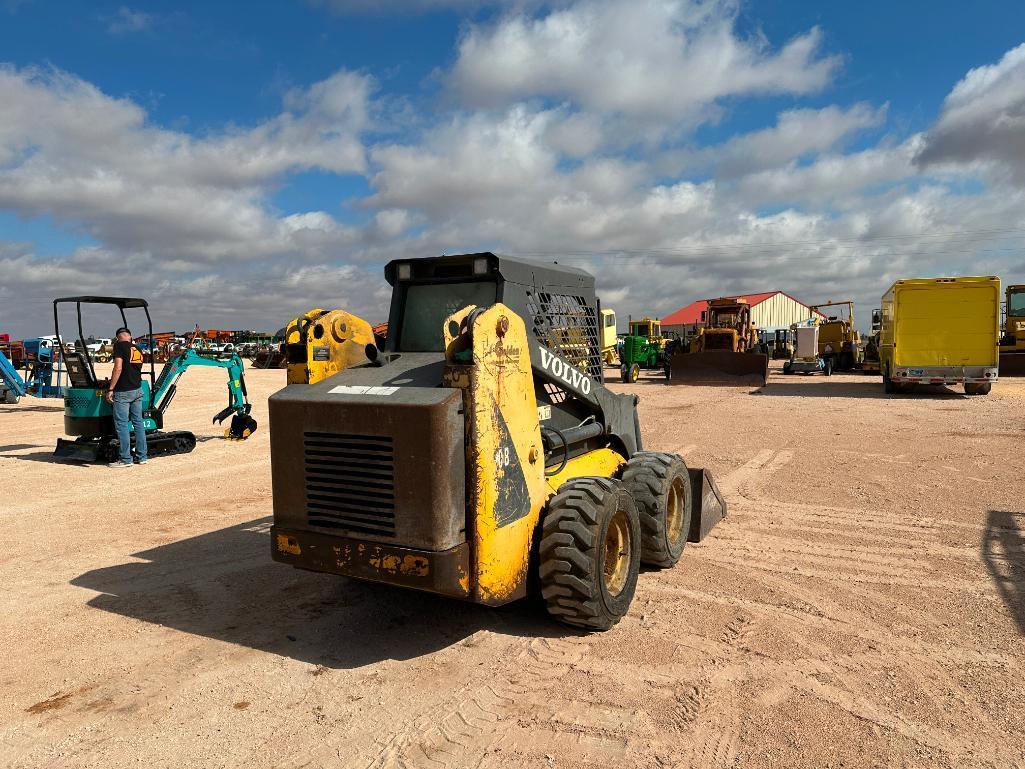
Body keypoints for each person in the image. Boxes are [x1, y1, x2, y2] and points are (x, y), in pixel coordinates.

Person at [105, 327, 148, 467]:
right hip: (137, 389)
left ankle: (125, 459)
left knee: (122, 424)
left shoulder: (119, 347)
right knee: (138, 423)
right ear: (130, 336)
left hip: (123, 391)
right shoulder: (137, 349)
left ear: (118, 338)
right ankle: (142, 456)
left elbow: (118, 368)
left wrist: (111, 388)